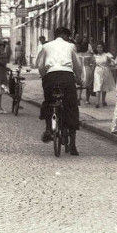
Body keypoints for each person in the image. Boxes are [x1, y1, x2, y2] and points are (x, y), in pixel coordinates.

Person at [36, 27, 83, 155]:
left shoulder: (46, 46)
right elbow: (77, 65)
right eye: (68, 36)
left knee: (49, 101)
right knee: (71, 107)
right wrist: (79, 79)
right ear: (64, 35)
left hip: (52, 78)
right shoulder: (71, 46)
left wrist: (44, 76)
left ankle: (48, 130)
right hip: (67, 78)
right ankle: (72, 145)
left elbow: (40, 64)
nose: (69, 39)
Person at [92, 42, 116, 108]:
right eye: (98, 47)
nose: (99, 49)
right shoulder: (95, 55)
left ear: (103, 48)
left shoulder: (107, 55)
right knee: (98, 85)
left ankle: (103, 100)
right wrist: (92, 73)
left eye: (101, 47)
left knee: (104, 85)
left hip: (105, 70)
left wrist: (109, 61)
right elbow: (93, 64)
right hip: (97, 71)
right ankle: (97, 102)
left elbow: (113, 63)